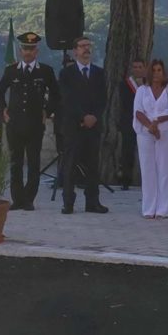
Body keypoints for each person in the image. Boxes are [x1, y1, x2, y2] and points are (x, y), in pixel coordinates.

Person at [0, 32, 57, 210]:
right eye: (25, 49)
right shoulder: (11, 70)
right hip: (15, 123)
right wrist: (3, 110)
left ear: (36, 51)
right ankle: (17, 199)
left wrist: (47, 111)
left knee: (34, 163)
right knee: (16, 163)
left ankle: (29, 199)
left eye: (31, 49)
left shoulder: (45, 71)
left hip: (35, 123)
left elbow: (56, 94)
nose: (28, 52)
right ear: (21, 51)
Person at [58, 37, 108, 214]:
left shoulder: (99, 73)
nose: (86, 49)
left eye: (88, 45)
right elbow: (67, 99)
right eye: (82, 46)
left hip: (93, 127)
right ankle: (68, 202)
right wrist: (83, 116)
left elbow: (103, 98)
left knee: (93, 165)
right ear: (75, 51)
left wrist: (94, 116)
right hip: (74, 126)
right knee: (70, 165)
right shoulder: (66, 73)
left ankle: (92, 202)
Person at [133, 59, 168, 218]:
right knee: (148, 170)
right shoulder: (142, 90)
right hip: (145, 132)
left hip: (165, 131)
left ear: (163, 72)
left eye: (159, 70)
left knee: (165, 169)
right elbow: (138, 111)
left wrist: (156, 122)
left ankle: (164, 208)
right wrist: (150, 127)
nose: (156, 73)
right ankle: (149, 208)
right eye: (153, 70)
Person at [118, 59, 147, 190]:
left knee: (147, 152)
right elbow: (124, 104)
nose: (137, 69)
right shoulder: (125, 84)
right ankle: (126, 180)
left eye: (140, 67)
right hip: (130, 121)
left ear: (144, 68)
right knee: (127, 152)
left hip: (147, 122)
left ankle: (147, 180)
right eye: (135, 67)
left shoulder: (150, 83)